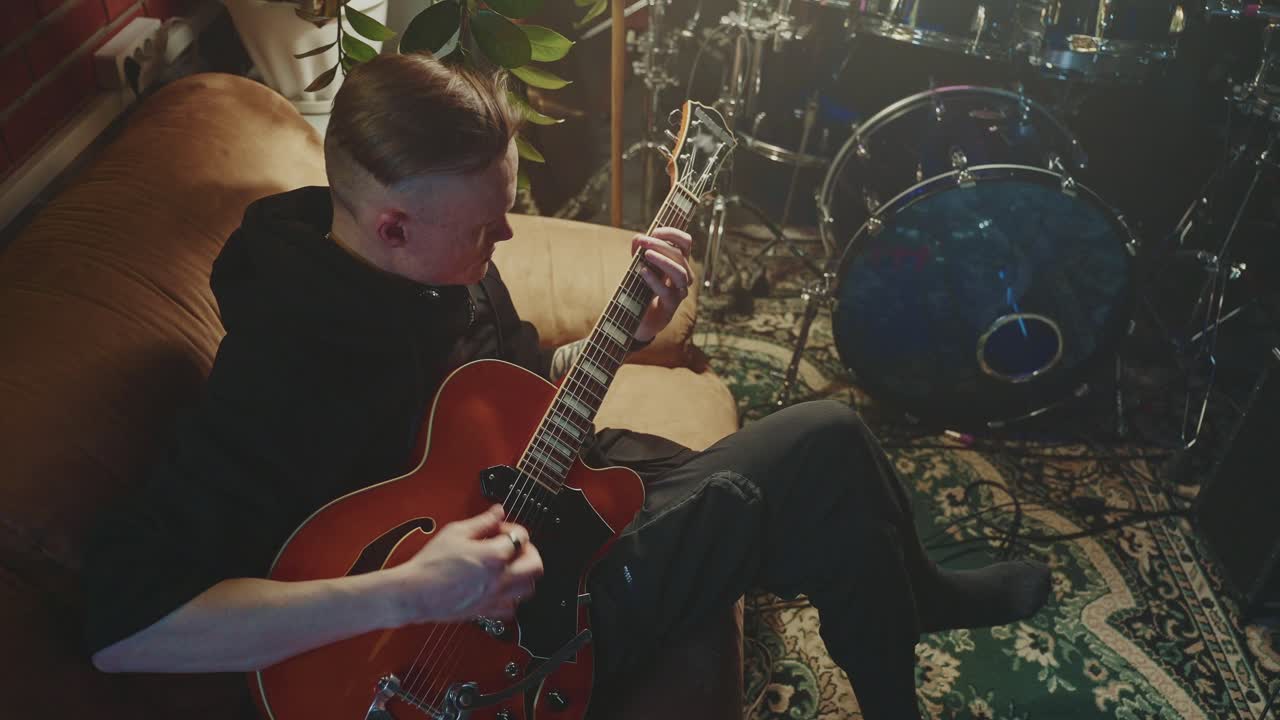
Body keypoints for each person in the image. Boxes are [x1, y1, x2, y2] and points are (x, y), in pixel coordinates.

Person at [83, 53, 1051, 719]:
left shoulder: (430, 267)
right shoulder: (284, 366)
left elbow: (503, 384)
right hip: (480, 631)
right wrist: (405, 594)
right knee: (814, 456)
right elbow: (122, 630)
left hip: (535, 497)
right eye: (484, 230)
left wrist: (614, 328)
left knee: (831, 446)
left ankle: (913, 592)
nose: (505, 243)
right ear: (388, 229)